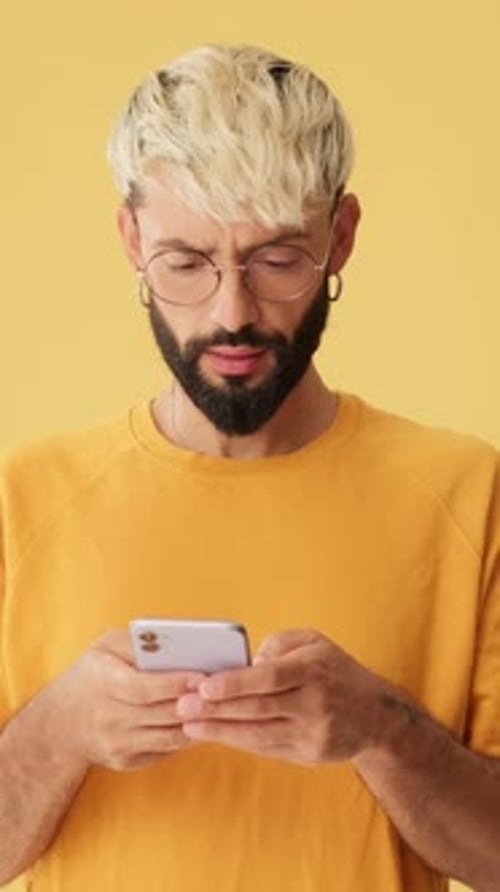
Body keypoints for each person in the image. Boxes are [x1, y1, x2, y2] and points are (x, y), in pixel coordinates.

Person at [0, 43, 498, 892]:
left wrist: (384, 732)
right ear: (131, 240)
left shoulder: (469, 495)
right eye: (187, 263)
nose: (232, 314)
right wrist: (59, 731)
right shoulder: (22, 502)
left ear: (340, 239)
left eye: (277, 260)